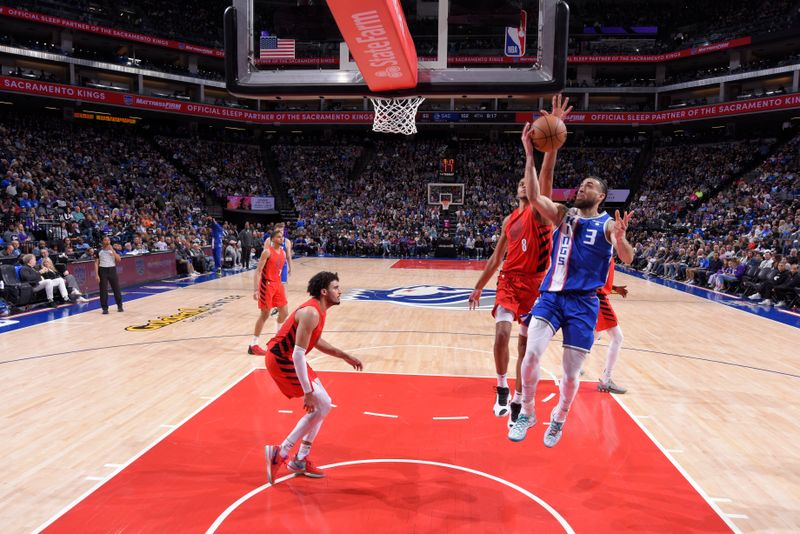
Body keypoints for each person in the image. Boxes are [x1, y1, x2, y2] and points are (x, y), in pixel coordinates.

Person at [508, 120, 635, 448]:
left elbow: (627, 257)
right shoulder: (564, 214)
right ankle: (528, 412)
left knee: (569, 374)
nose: (582, 187)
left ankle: (560, 417)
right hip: (551, 296)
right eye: (581, 184)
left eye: (589, 185)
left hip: (583, 304)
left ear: (602, 196)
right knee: (531, 355)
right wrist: (530, 153)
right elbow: (535, 195)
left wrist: (621, 239)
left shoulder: (608, 225)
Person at [469, 95, 571, 425]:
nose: (525, 187)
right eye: (521, 185)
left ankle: (516, 397)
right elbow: (495, 258)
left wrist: (545, 148)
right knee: (501, 335)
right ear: (517, 190)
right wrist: (478, 287)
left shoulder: (541, 214)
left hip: (535, 287)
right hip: (509, 283)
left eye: (528, 185)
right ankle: (500, 387)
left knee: (526, 348)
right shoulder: (509, 220)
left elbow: (546, 179)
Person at [264, 271, 363, 481]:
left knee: (324, 405)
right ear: (324, 291)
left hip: (290, 358)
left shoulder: (319, 310)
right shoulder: (311, 312)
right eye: (336, 288)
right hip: (281, 360)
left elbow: (315, 341)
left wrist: (344, 355)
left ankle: (300, 458)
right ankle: (281, 453)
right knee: (322, 403)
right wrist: (307, 391)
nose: (340, 291)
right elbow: (297, 354)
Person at [249, 229, 289, 355]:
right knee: (265, 314)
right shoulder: (267, 252)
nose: (281, 239)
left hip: (277, 284)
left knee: (284, 312)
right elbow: (258, 271)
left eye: (282, 237)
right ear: (272, 239)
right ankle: (253, 345)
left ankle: (278, 339)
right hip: (267, 285)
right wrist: (256, 290)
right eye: (278, 237)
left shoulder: (283, 253)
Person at [595, 258, 627, 394]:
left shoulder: (604, 250)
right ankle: (606, 379)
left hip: (596, 297)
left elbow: (601, 280)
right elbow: (595, 280)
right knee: (617, 338)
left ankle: (574, 368)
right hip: (599, 299)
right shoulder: (604, 251)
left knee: (594, 335)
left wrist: (614, 289)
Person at [96, 236, 123, 314]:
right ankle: (105, 308)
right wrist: (96, 274)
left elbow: (119, 260)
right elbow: (96, 263)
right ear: (102, 241)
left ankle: (120, 306)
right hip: (102, 270)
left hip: (112, 269)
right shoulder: (99, 251)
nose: (107, 241)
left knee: (116, 288)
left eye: (108, 240)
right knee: (103, 290)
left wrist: (112, 251)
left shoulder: (113, 250)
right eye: (105, 240)